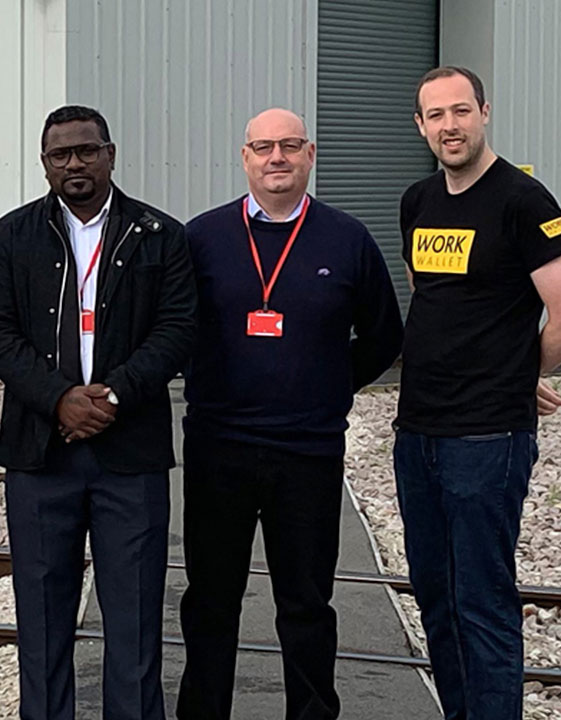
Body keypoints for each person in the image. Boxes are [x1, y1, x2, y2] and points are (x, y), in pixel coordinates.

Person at [175, 108, 404, 720]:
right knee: (210, 600)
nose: (276, 158)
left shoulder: (347, 238)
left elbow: (384, 336)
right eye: (263, 147)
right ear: (245, 157)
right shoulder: (202, 238)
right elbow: (174, 329)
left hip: (309, 450)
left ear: (310, 155)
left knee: (306, 602)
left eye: (289, 146)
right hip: (218, 446)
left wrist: (327, 385)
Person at [0, 105, 196, 720]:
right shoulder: (11, 236)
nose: (74, 164)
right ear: (45, 165)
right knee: (42, 618)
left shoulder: (160, 235)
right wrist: (58, 399)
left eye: (86, 151)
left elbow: (178, 328)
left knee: (134, 620)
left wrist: (115, 394)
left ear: (110, 154)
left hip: (130, 453)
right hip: (40, 453)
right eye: (60, 155)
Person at [395, 66, 561, 719]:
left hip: (487, 437)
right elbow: (429, 294)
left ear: (484, 112)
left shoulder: (523, 201)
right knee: (437, 597)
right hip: (418, 431)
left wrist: (515, 372)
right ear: (421, 126)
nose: (449, 125)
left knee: (481, 600)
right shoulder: (418, 202)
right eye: (436, 115)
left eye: (460, 110)